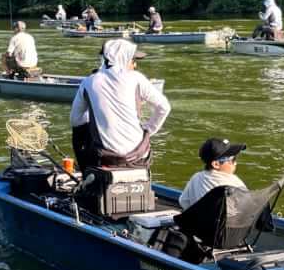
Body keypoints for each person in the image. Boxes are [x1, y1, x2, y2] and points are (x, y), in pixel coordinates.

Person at [70, 39, 171, 172]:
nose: (134, 65)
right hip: (139, 158)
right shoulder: (137, 78)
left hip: (104, 159)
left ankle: (86, 175)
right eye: (132, 60)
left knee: (79, 132)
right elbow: (164, 107)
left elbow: (75, 120)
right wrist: (148, 130)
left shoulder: (89, 82)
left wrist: (98, 121)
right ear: (123, 59)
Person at [179, 138, 248, 211]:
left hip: (201, 221)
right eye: (233, 160)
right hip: (230, 221)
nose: (235, 163)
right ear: (216, 164)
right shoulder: (234, 182)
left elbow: (184, 202)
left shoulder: (196, 177)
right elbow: (248, 206)